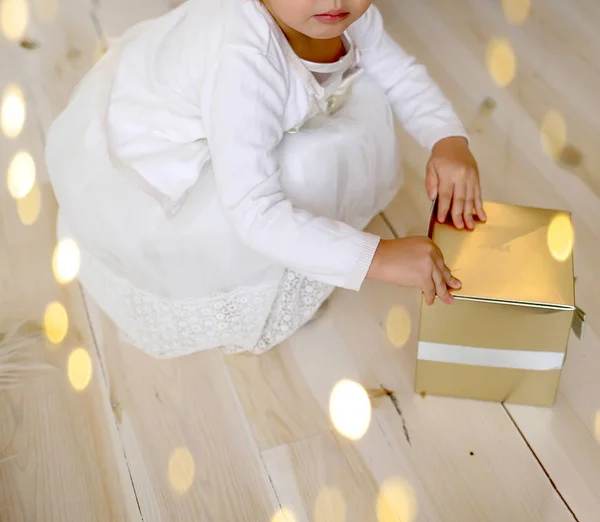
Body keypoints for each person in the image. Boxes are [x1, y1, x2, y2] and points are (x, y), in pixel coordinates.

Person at [45, 0, 487, 359]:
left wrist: (448, 140)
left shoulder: (349, 15)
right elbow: (255, 212)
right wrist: (378, 257)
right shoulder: (244, 62)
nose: (335, 2)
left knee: (348, 118)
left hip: (237, 106)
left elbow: (401, 74)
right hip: (167, 148)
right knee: (297, 177)